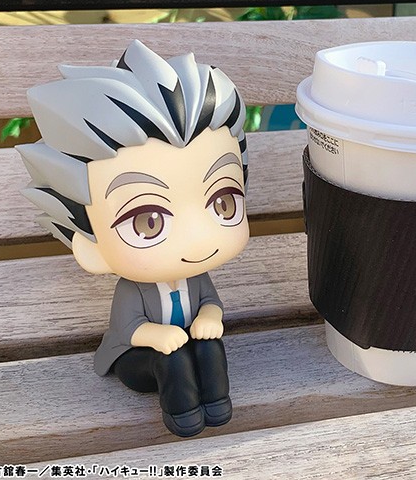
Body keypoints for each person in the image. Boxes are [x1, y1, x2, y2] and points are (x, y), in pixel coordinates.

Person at [17, 40, 249, 437]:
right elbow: (129, 329)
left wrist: (209, 317)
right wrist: (159, 335)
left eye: (223, 203)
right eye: (148, 223)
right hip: (139, 358)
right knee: (171, 359)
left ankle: (217, 403)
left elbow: (210, 303)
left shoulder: (197, 277)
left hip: (187, 344)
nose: (198, 236)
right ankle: (183, 415)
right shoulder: (132, 290)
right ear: (91, 247)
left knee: (211, 346)